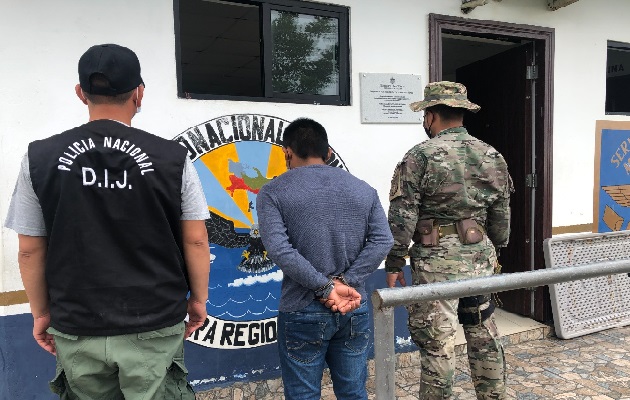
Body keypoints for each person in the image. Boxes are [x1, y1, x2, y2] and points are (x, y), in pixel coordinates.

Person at [4, 43, 210, 399]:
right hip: (155, 321)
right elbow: (195, 240)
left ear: (81, 94)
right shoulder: (173, 159)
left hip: (77, 323)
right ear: (139, 93)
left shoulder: (38, 159)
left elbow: (29, 250)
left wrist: (41, 314)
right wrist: (198, 301)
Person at [385, 81, 513, 399]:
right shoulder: (491, 155)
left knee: (437, 345)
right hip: (480, 258)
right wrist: (495, 250)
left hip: (435, 260)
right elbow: (501, 217)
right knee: (484, 334)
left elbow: (403, 216)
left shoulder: (419, 156)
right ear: (462, 113)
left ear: (430, 115)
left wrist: (395, 260)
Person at [256, 118, 394, 400]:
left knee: (303, 395)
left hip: (301, 308)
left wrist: (325, 288)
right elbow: (384, 240)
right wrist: (346, 282)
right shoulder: (363, 189)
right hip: (354, 304)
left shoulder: (273, 191)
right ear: (328, 152)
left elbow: (280, 249)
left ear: (287, 152)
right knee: (354, 392)